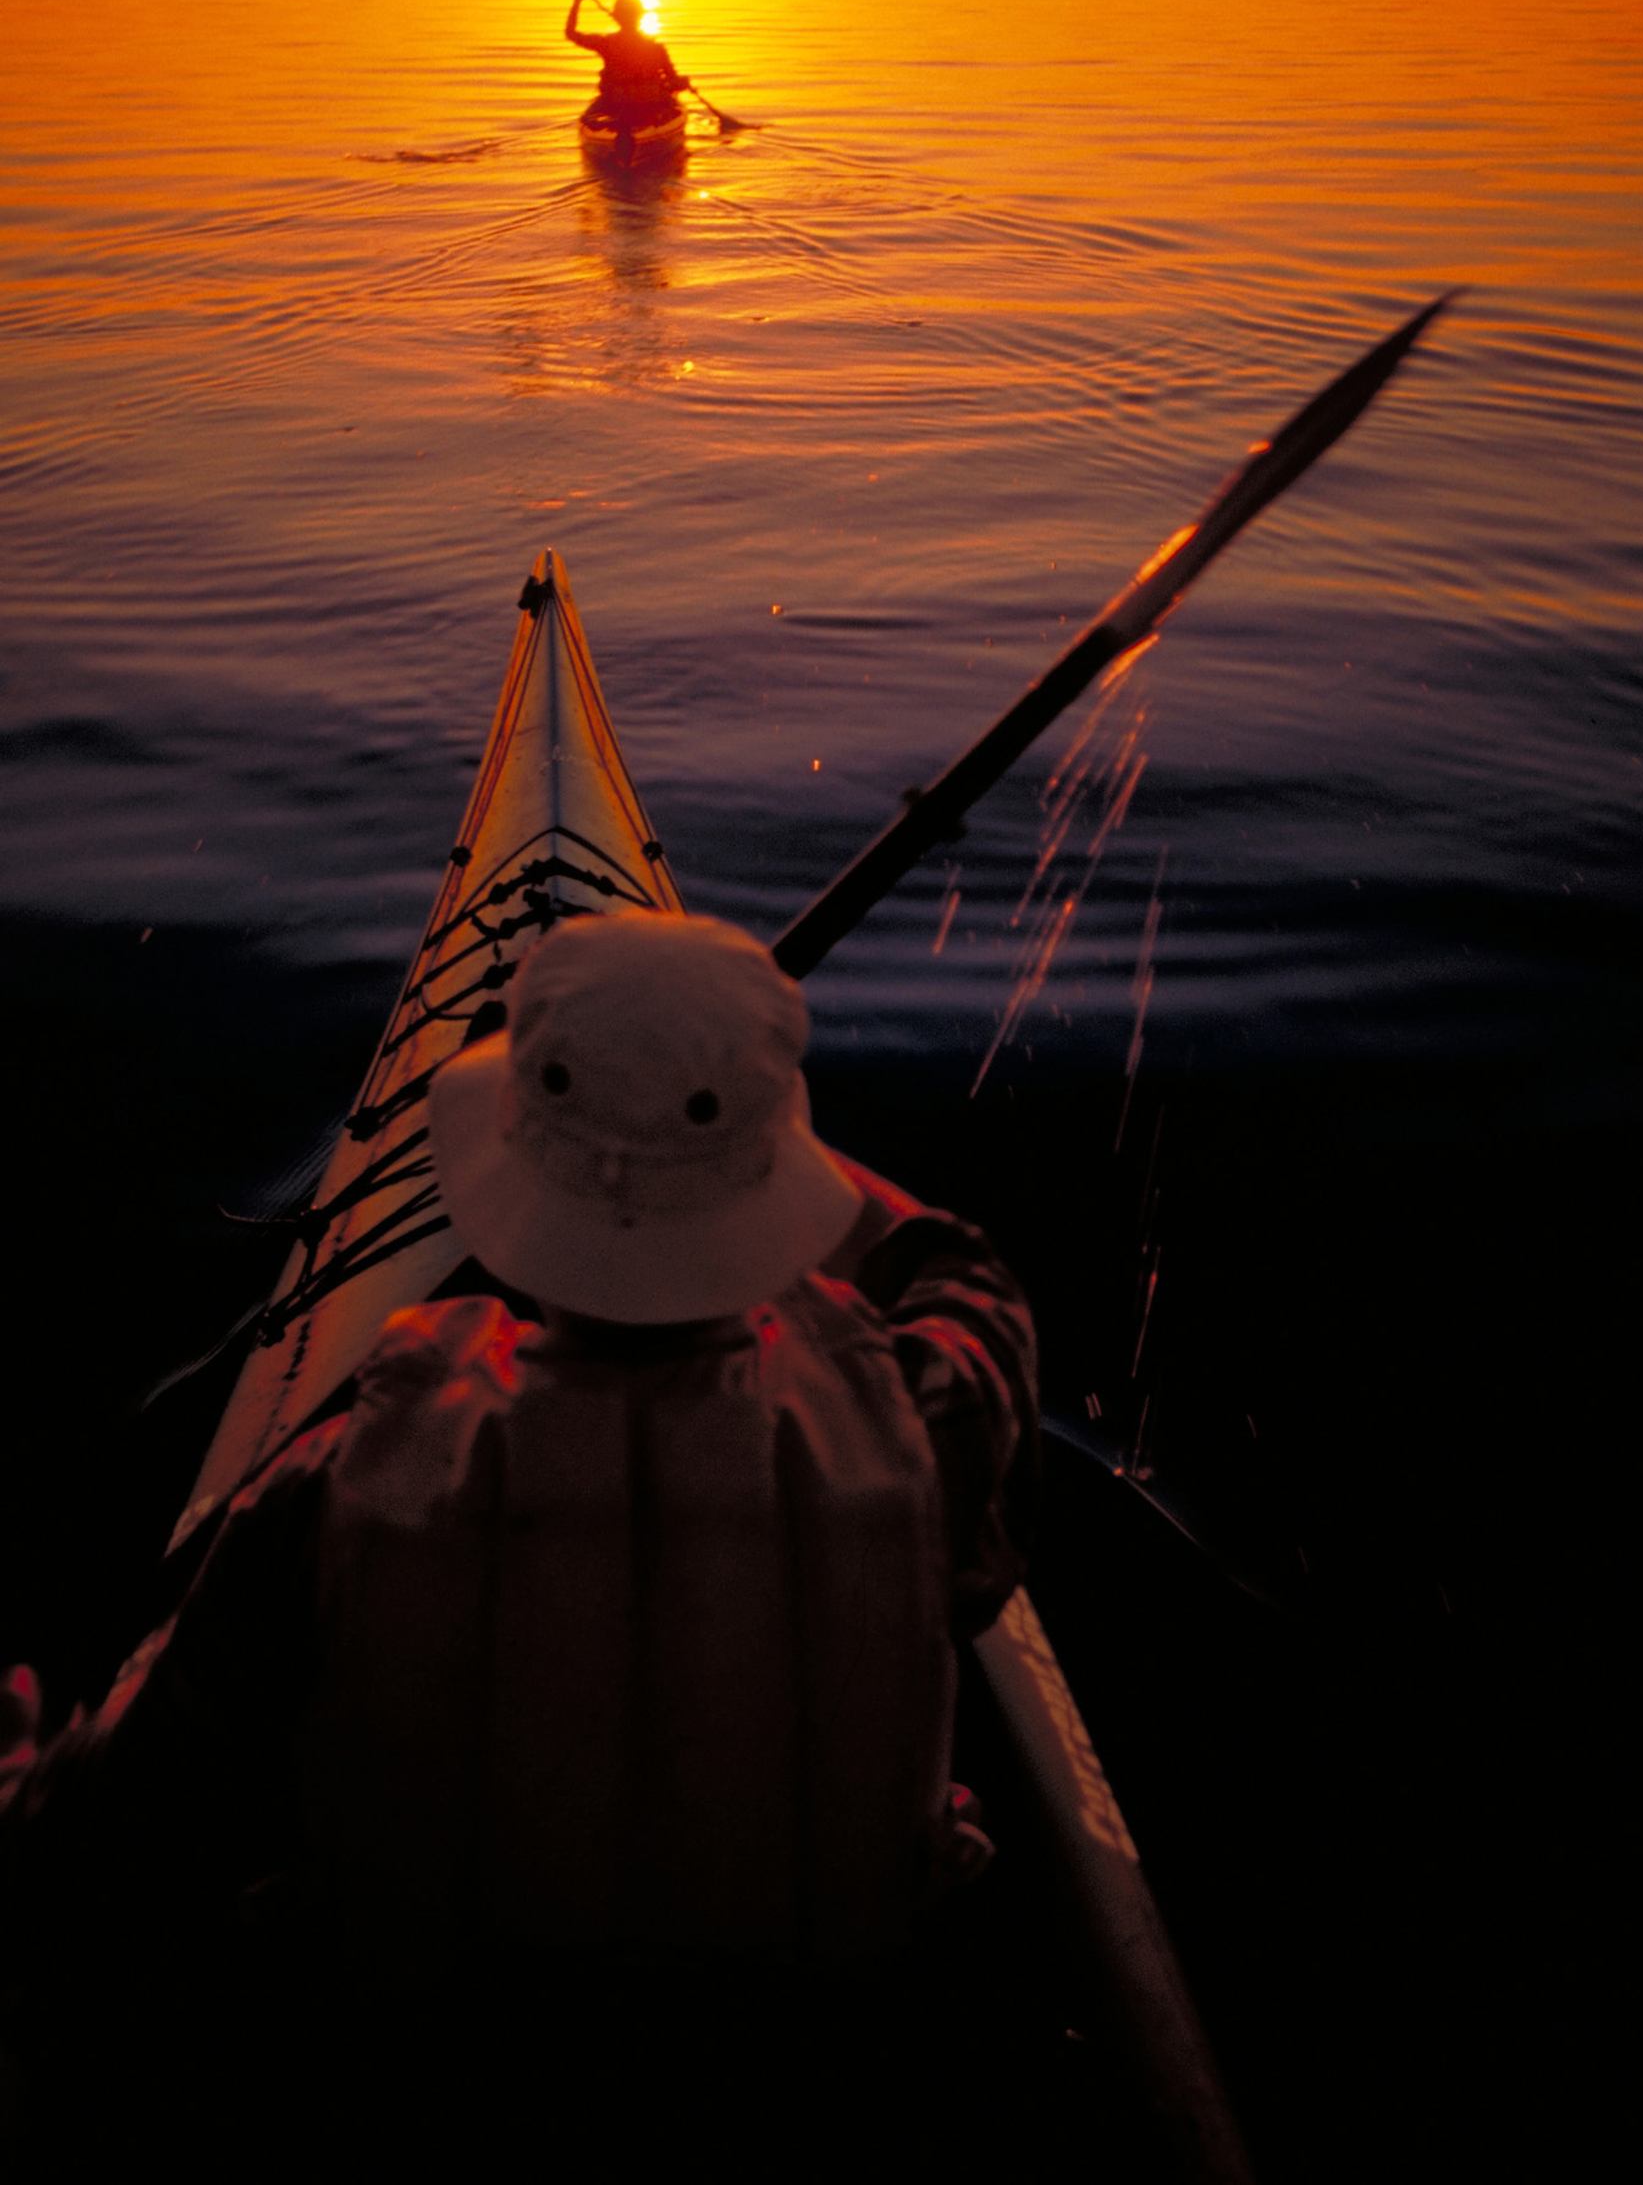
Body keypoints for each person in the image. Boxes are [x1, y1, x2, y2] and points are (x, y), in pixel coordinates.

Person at [0, 912, 1039, 2151]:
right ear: (782, 1191)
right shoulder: (928, 1425)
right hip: (820, 2087)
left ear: (509, 1186)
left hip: (441, 2087)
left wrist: (21, 1770)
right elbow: (964, 1277)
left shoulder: (332, 1489)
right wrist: (725, 1129)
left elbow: (119, 1829)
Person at [567, 0, 689, 127]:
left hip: (615, 102)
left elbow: (571, 34)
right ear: (639, 16)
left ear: (617, 17)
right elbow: (674, 82)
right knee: (671, 104)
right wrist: (683, 83)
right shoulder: (656, 48)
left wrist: (577, 0)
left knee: (590, 117)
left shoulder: (606, 43)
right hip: (650, 103)